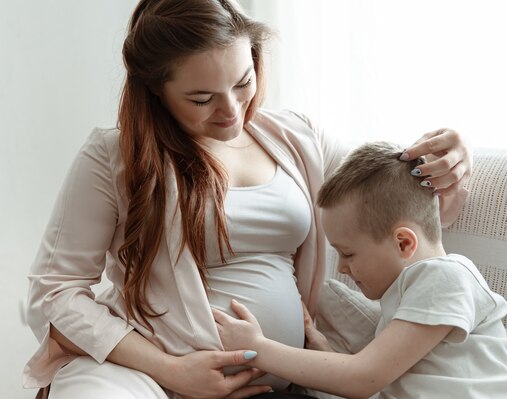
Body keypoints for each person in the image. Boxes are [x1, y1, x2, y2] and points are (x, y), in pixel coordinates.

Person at [23, 1, 472, 398]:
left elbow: (394, 202)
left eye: (243, 82)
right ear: (156, 92)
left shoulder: (299, 138)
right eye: (202, 98)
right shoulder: (115, 156)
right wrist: (174, 372)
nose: (232, 111)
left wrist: (451, 160)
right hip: (144, 372)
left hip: (276, 380)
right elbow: (55, 292)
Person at [213, 141, 507, 399]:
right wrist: (322, 348)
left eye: (348, 253)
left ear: (404, 243)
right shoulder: (409, 295)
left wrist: (258, 348)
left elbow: (364, 378)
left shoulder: (446, 277)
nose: (342, 268)